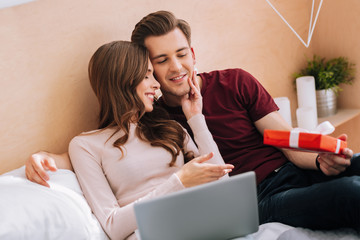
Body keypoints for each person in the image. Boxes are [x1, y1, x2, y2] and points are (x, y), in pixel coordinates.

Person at [26, 10, 360, 231]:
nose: (176, 68)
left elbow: (285, 140)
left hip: (292, 170)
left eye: (182, 54)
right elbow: (106, 145)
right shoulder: (153, 119)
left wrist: (318, 159)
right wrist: (48, 158)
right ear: (146, 68)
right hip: (255, 198)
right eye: (161, 60)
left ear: (193, 53)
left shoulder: (235, 81)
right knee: (351, 194)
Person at [43, 40, 234, 239]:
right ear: (122, 81)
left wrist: (195, 117)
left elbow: (222, 183)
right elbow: (113, 225)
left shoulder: (171, 129)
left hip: (200, 224)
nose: (156, 84)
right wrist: (178, 182)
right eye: (146, 76)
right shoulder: (86, 145)